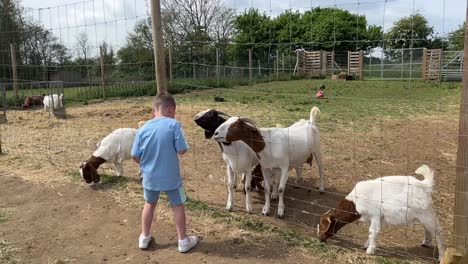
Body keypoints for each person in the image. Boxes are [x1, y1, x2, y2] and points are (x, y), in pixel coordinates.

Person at [131, 92, 198, 252]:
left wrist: (146, 166)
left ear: (154, 111)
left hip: (149, 177)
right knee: (177, 205)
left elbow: (134, 155)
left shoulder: (143, 128)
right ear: (171, 109)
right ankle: (183, 241)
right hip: (170, 177)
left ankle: (144, 237)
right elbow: (182, 150)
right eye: (174, 112)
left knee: (149, 204)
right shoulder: (174, 125)